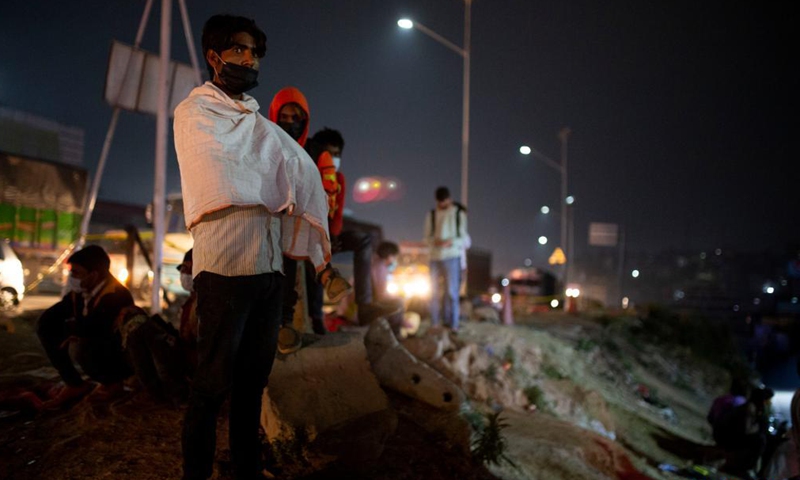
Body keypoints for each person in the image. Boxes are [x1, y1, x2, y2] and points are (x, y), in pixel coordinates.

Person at [173, 14, 331, 480]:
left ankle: (246, 469)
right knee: (211, 386)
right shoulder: (195, 114)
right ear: (213, 56)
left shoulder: (258, 124)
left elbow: (297, 176)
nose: (248, 59)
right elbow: (223, 176)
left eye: (255, 53)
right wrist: (275, 186)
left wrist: (287, 190)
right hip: (223, 268)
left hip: (267, 269)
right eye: (239, 50)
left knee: (252, 386)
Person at [267, 88, 347, 345]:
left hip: (302, 222)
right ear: (274, 116)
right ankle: (283, 326)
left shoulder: (317, 154)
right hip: (269, 223)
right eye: (285, 116)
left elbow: (329, 196)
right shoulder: (265, 145)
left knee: (302, 229)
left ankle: (322, 273)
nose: (291, 122)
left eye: (296, 117)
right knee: (278, 272)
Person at [306, 128, 398, 326]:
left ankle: (364, 306)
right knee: (316, 261)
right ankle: (316, 320)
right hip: (306, 236)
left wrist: (335, 235)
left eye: (337, 154)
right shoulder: (308, 174)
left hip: (329, 236)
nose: (334, 158)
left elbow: (337, 215)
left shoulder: (339, 180)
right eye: (329, 153)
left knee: (363, 240)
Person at [36, 245, 134, 408]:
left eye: (76, 273)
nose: (71, 277)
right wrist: (49, 327)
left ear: (94, 275)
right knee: (46, 327)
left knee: (79, 345)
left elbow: (98, 329)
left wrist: (71, 331)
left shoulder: (116, 295)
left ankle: (113, 383)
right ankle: (74, 384)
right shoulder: (81, 292)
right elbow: (53, 318)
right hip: (94, 342)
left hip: (118, 355)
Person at [424, 186, 468, 332]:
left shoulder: (458, 214)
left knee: (452, 292)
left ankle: (453, 324)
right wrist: (435, 242)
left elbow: (463, 238)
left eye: (444, 201)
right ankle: (435, 323)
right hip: (435, 257)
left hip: (452, 256)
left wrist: (451, 242)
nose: (442, 204)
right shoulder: (431, 214)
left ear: (449, 199)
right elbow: (426, 238)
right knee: (433, 292)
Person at [370, 241, 405, 335]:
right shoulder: (380, 266)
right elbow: (381, 295)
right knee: (399, 302)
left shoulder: (373, 262)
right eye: (394, 256)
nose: (394, 260)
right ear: (389, 255)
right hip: (367, 304)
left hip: (362, 302)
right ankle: (395, 336)